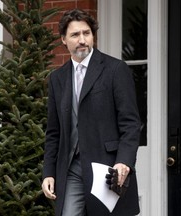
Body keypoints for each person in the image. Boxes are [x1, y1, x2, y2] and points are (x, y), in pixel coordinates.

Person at [42, 8, 141, 216]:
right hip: (71, 168)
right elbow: (54, 131)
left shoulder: (115, 69)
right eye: (75, 35)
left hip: (107, 167)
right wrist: (49, 172)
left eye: (86, 33)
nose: (82, 40)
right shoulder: (57, 78)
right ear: (63, 40)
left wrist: (124, 161)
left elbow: (130, 123)